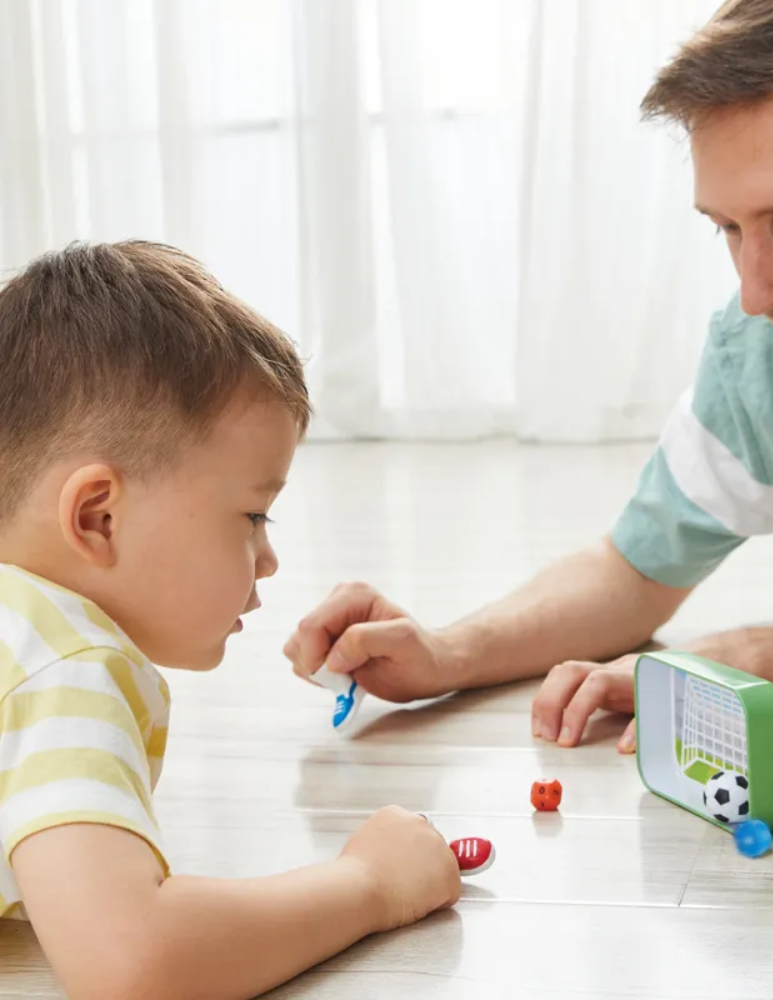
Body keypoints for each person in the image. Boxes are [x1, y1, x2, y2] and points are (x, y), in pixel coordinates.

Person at [284, 0, 773, 754]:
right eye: (728, 227)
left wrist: (752, 659)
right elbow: (633, 573)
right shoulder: (761, 355)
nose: (758, 293)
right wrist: (450, 651)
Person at [0, 242, 460, 1000]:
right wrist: (370, 883)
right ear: (98, 516)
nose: (268, 557)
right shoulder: (64, 659)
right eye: (251, 515)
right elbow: (132, 962)